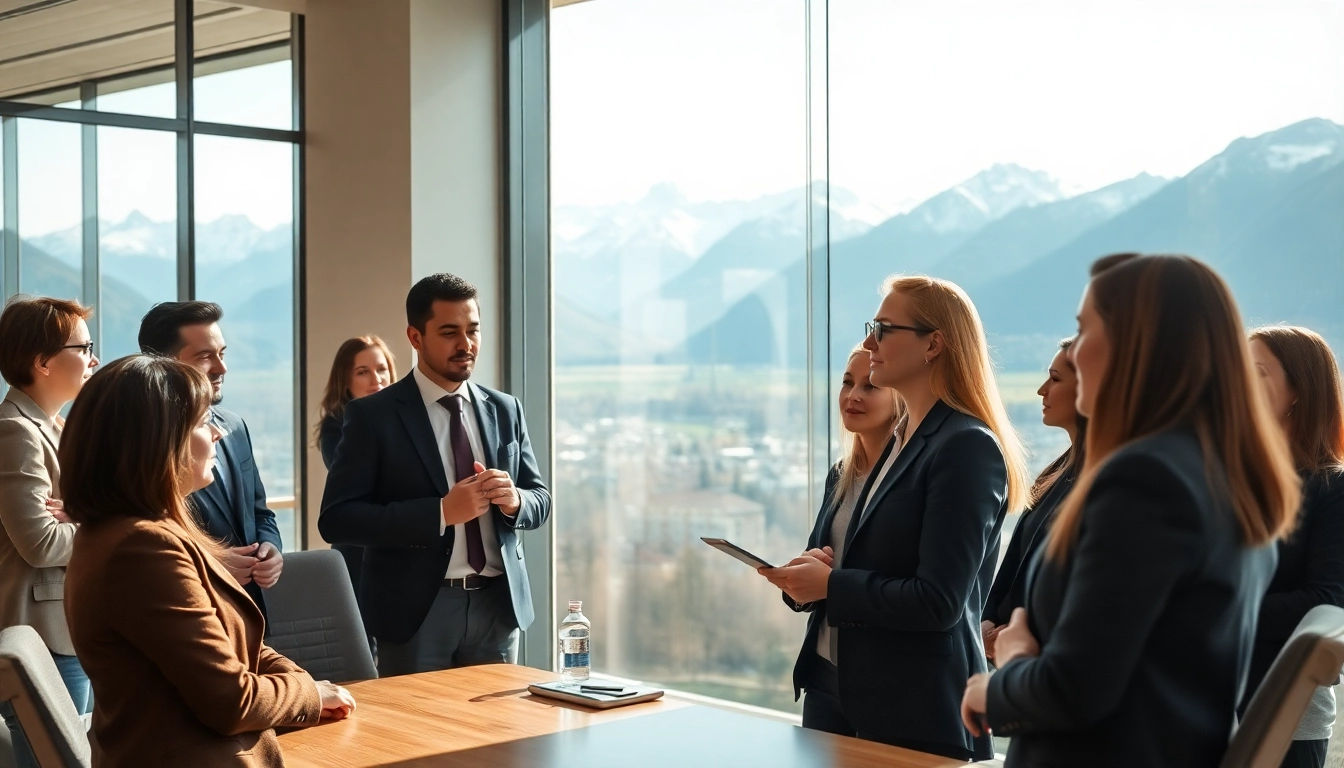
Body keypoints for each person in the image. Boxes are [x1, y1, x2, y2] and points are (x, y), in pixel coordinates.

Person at [961, 253, 1301, 768]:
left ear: (1134, 348)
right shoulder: (1225, 476)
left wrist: (1001, 681)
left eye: (1081, 331)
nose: (1073, 353)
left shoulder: (1146, 481)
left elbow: (1076, 688)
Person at [762, 275, 1030, 760]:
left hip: (913, 709)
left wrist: (831, 585)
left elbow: (938, 602)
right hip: (836, 691)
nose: (869, 342)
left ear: (933, 344)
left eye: (883, 328)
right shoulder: (896, 443)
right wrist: (813, 576)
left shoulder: (966, 447)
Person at [61, 356, 354, 766]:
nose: (217, 433)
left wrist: (302, 685)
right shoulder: (141, 549)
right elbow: (230, 700)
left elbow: (237, 651)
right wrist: (306, 693)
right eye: (202, 422)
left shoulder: (135, 532)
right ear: (157, 440)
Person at [319, 273, 551, 676]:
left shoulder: (505, 408)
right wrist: (440, 512)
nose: (466, 345)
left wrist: (516, 501)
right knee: (417, 739)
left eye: (473, 330)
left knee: (498, 738)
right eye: (449, 332)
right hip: (416, 614)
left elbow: (540, 497)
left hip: (498, 608)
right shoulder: (373, 417)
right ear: (415, 337)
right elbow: (338, 518)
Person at [777, 344, 905, 733]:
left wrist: (829, 583)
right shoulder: (842, 474)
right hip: (823, 677)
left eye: (870, 386)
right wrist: (797, 583)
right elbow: (823, 559)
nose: (852, 396)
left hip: (884, 682)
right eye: (848, 383)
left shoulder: (909, 480)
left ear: (900, 400)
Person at [0, 296, 99, 767]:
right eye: (83, 347)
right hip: (44, 638)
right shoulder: (14, 431)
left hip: (65, 630)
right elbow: (40, 542)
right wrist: (108, 527)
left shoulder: (51, 425)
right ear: (41, 361)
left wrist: (81, 515)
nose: (93, 359)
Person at [138, 302, 284, 618]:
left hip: (251, 610)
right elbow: (145, 533)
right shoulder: (142, 443)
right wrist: (211, 561)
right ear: (162, 364)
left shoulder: (234, 426)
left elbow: (259, 512)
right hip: (186, 610)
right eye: (205, 356)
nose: (221, 367)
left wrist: (271, 550)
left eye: (222, 353)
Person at [1241, 325, 1344, 768]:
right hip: (1204, 701)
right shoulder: (1232, 479)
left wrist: (1213, 610)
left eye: (1257, 371)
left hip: (1284, 716)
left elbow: (1328, 603)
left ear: (1300, 390)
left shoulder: (1332, 488)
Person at [981, 338, 1087, 661]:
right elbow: (1015, 564)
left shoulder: (1104, 484)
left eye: (1055, 379)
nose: (1042, 390)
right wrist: (987, 624)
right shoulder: (1056, 470)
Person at [315, 335, 397, 599]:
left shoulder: (408, 420)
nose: (377, 379)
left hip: (402, 550)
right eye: (363, 372)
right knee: (362, 637)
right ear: (346, 380)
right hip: (359, 553)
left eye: (382, 369)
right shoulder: (335, 427)